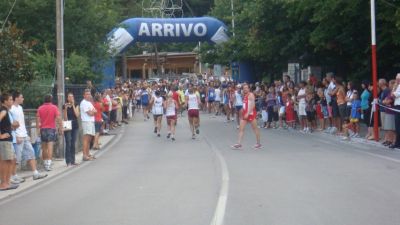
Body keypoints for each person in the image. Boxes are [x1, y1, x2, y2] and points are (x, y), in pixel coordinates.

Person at [36, 94, 63, 171]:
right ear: (51, 100)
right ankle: (49, 163)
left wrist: (38, 129)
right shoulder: (54, 107)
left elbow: (37, 119)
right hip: (51, 129)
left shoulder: (40, 108)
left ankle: (45, 163)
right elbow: (58, 118)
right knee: (50, 147)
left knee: (44, 148)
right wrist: (60, 128)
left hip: (43, 129)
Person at [232, 84, 261, 149]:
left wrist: (247, 113)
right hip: (245, 114)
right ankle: (239, 143)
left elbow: (253, 105)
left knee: (255, 128)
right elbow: (245, 105)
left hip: (250, 114)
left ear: (249, 89)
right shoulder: (245, 96)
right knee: (241, 129)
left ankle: (258, 143)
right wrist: (243, 110)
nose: (245, 89)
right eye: (244, 88)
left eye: (246, 88)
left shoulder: (251, 95)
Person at [0, 93, 19, 191]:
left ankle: (6, 183)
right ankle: (3, 184)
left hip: (7, 140)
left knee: (10, 161)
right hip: (4, 141)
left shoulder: (6, 111)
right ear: (5, 101)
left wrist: (12, 126)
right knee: (5, 162)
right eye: (10, 99)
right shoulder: (3, 111)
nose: (12, 101)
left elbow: (4, 126)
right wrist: (1, 135)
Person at [63, 93, 80, 166]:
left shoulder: (76, 105)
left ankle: (73, 160)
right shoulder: (65, 105)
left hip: (75, 125)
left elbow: (77, 115)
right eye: (69, 97)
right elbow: (65, 118)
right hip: (67, 125)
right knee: (68, 142)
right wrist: (66, 109)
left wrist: (72, 105)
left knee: (73, 143)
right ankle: (68, 161)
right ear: (67, 98)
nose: (71, 98)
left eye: (72, 96)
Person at [80, 89, 96, 161]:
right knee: (86, 139)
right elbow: (90, 113)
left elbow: (95, 111)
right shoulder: (84, 103)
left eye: (89, 94)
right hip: (86, 121)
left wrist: (92, 111)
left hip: (91, 121)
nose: (88, 95)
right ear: (84, 95)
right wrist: (92, 112)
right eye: (87, 94)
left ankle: (88, 154)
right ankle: (84, 155)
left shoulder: (89, 103)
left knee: (89, 139)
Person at [390, 74, 400, 149]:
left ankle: (398, 143)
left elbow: (393, 95)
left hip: (399, 106)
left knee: (398, 126)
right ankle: (397, 143)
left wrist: (394, 88)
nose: (396, 80)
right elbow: (392, 95)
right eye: (396, 78)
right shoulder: (397, 86)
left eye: (397, 79)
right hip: (396, 106)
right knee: (397, 126)